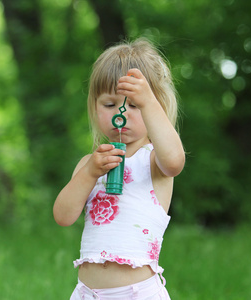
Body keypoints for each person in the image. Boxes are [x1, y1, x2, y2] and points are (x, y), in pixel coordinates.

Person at [53, 38, 185, 300]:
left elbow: (175, 162)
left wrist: (148, 100)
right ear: (94, 106)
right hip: (87, 293)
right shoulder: (89, 164)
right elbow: (63, 216)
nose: (121, 114)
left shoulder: (154, 160)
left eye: (134, 106)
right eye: (109, 104)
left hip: (137, 293)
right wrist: (90, 172)